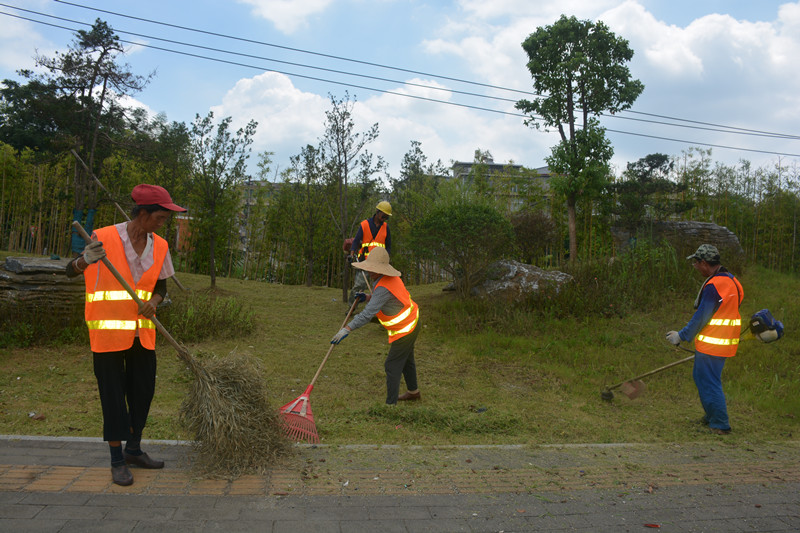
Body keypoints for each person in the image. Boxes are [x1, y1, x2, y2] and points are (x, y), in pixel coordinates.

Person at [66, 184, 186, 486]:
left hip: (142, 334)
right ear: (142, 214)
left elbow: (161, 287)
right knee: (113, 397)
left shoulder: (159, 246)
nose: (163, 223)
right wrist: (85, 260)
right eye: (159, 217)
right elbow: (71, 270)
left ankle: (134, 450)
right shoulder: (103, 237)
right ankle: (117, 460)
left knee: (142, 392)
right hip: (107, 333)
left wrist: (154, 303)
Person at [666, 244, 743, 435]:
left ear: (703, 263)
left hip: (713, 343)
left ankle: (720, 423)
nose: (695, 267)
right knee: (704, 378)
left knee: (709, 381)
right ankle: (711, 416)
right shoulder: (732, 281)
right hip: (725, 341)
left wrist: (681, 335)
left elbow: (702, 317)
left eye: (696, 263)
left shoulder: (714, 286)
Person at [331, 247, 420, 405]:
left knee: (391, 365)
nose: (370, 272)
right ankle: (414, 392)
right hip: (412, 322)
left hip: (406, 328)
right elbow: (387, 299)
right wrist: (368, 297)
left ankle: (390, 405)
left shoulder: (384, 286)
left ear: (382, 270)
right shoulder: (386, 280)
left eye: (373, 269)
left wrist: (347, 329)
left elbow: (367, 314)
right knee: (407, 360)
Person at [348, 201, 392, 305]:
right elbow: (355, 241)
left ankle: (378, 309)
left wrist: (387, 259)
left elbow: (388, 246)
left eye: (387, 217)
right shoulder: (364, 225)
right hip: (365, 262)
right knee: (359, 286)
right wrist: (351, 254)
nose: (385, 218)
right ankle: (351, 307)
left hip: (380, 263)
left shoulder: (386, 228)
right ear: (377, 212)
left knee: (380, 287)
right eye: (384, 215)